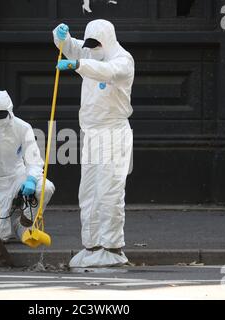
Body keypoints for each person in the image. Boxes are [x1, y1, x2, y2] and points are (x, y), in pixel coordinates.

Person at [53, 19, 134, 267]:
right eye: (89, 44)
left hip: (112, 134)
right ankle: (92, 245)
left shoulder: (123, 59)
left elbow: (107, 72)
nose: (91, 48)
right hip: (91, 134)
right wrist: (61, 38)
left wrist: (77, 64)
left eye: (95, 44)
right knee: (88, 192)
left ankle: (112, 248)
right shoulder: (91, 50)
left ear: (107, 40)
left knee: (108, 192)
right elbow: (71, 47)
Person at [0, 91, 55, 244]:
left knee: (45, 187)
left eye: (2, 114)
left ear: (10, 109)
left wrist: (31, 179)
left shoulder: (23, 127)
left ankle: (24, 223)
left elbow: (34, 160)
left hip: (17, 177)